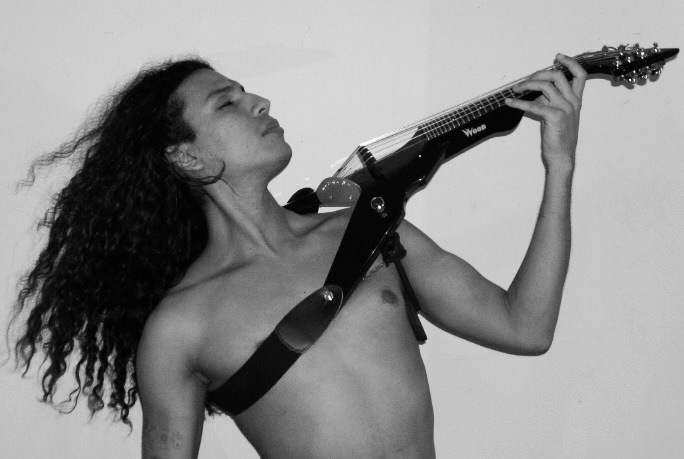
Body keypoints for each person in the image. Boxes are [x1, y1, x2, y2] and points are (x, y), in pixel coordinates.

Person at [12, 53, 585, 458]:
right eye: (227, 103)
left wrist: (559, 166)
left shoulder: (369, 231)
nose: (259, 101)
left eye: (246, 92)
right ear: (186, 157)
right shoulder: (180, 326)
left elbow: (525, 328)